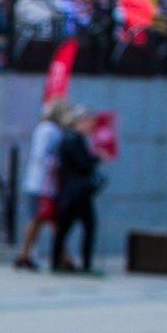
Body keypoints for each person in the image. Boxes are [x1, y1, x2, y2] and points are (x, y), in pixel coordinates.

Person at [11, 98, 69, 270]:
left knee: (45, 220)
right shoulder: (48, 129)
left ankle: (28, 254)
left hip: (44, 183)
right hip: (43, 184)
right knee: (40, 218)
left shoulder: (50, 129)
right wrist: (59, 163)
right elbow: (41, 155)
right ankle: (28, 254)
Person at [51, 106, 104, 274]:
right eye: (89, 121)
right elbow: (83, 165)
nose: (91, 126)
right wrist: (96, 158)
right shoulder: (74, 140)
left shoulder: (69, 139)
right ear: (79, 122)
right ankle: (85, 264)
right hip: (78, 192)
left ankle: (56, 261)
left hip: (69, 192)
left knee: (64, 228)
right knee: (88, 226)